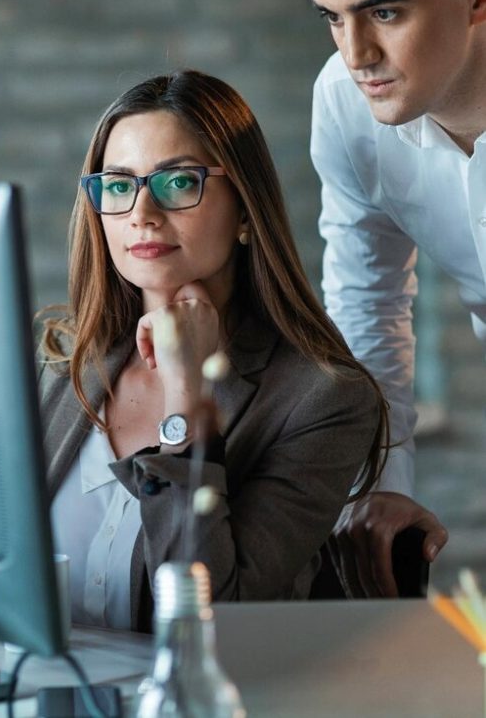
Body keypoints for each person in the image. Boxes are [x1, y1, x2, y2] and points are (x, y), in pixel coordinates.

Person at [38, 68, 387, 630]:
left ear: (246, 210)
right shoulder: (64, 362)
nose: (142, 214)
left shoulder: (322, 401)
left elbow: (212, 614)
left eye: (178, 182)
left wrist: (186, 399)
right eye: (120, 185)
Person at [278, 0, 486, 596]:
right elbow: (369, 300)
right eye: (332, 17)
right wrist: (383, 481)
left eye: (384, 11)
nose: (355, 52)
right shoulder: (344, 101)